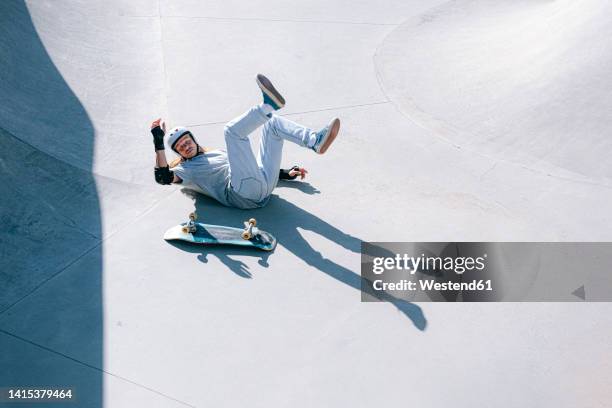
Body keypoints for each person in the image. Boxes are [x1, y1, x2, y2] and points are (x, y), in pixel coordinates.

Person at [150, 74, 341, 209]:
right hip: (242, 194)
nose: (186, 145)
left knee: (272, 123)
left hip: (264, 184)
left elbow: (246, 167)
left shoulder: (214, 154)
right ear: (179, 154)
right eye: (180, 147)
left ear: (193, 139)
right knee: (232, 132)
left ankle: (315, 141)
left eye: (186, 140)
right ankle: (267, 105)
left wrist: (284, 174)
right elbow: (163, 178)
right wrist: (159, 142)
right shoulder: (186, 170)